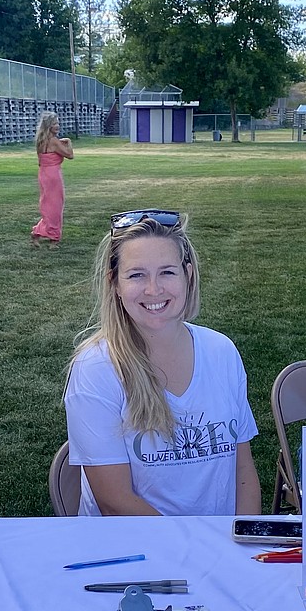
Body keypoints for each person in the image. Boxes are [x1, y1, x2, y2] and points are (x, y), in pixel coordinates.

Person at [64, 210, 261, 516]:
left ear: (188, 274)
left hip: (220, 551)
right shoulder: (96, 368)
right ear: (114, 283)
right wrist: (199, 552)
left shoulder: (221, 351)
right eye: (136, 275)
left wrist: (243, 542)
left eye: (167, 272)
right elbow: (114, 501)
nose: (153, 289)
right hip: (133, 553)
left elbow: (243, 471)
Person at [30, 111, 74, 249]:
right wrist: (69, 142)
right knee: (55, 206)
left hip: (43, 173)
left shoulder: (40, 141)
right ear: (49, 126)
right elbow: (70, 155)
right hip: (53, 175)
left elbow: (40, 161)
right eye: (55, 123)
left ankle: (38, 233)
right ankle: (53, 238)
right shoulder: (53, 141)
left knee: (47, 205)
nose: (58, 126)